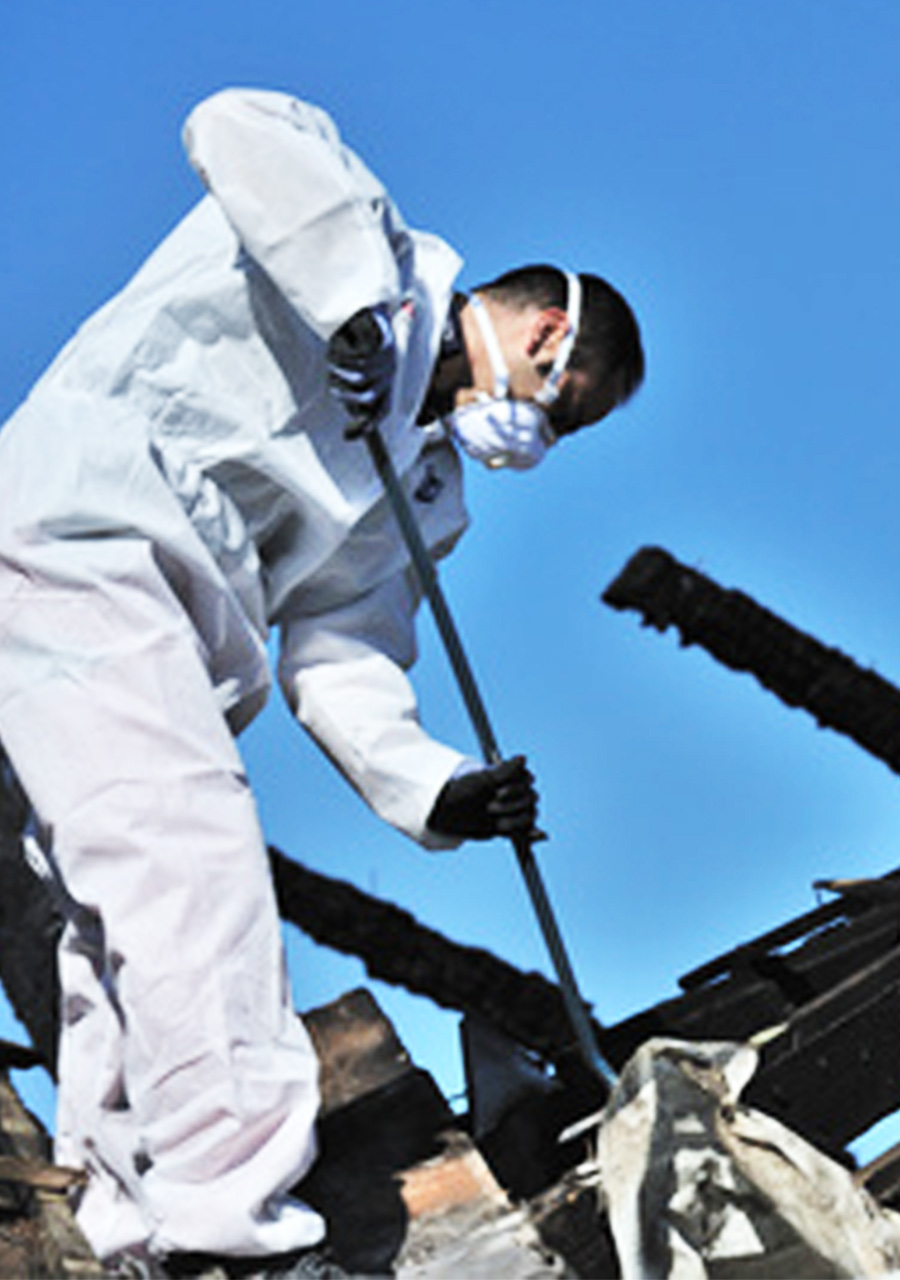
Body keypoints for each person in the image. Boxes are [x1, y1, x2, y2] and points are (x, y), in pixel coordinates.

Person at [0, 87, 643, 1273]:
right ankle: (230, 1230)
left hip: (174, 637)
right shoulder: (367, 245)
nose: (541, 442)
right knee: (190, 870)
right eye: (567, 414)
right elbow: (236, 119)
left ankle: (126, 1221)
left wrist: (434, 786)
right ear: (546, 338)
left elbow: (346, 647)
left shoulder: (431, 490)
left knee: (109, 924)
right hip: (88, 527)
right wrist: (349, 297)